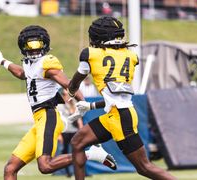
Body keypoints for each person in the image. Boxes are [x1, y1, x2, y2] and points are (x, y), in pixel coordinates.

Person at [0, 25, 116, 180]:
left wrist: (84, 102)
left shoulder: (47, 62)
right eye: (30, 46)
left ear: (45, 45)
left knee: (45, 165)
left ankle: (90, 153)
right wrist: (1, 60)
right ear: (23, 47)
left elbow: (69, 84)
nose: (34, 50)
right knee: (10, 169)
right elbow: (22, 73)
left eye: (38, 46)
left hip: (49, 115)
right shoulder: (28, 64)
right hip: (38, 120)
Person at [67, 16, 176, 180]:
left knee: (144, 167)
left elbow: (75, 82)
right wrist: (90, 107)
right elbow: (116, 97)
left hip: (121, 118)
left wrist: (71, 90)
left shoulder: (91, 54)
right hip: (116, 114)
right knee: (77, 143)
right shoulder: (130, 56)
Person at [57, 89, 83, 177]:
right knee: (64, 151)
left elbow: (78, 117)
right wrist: (58, 134)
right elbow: (57, 120)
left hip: (73, 130)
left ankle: (79, 171)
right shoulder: (59, 105)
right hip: (64, 131)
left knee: (77, 150)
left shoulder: (72, 103)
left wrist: (81, 128)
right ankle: (67, 172)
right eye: (64, 94)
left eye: (67, 94)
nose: (66, 96)